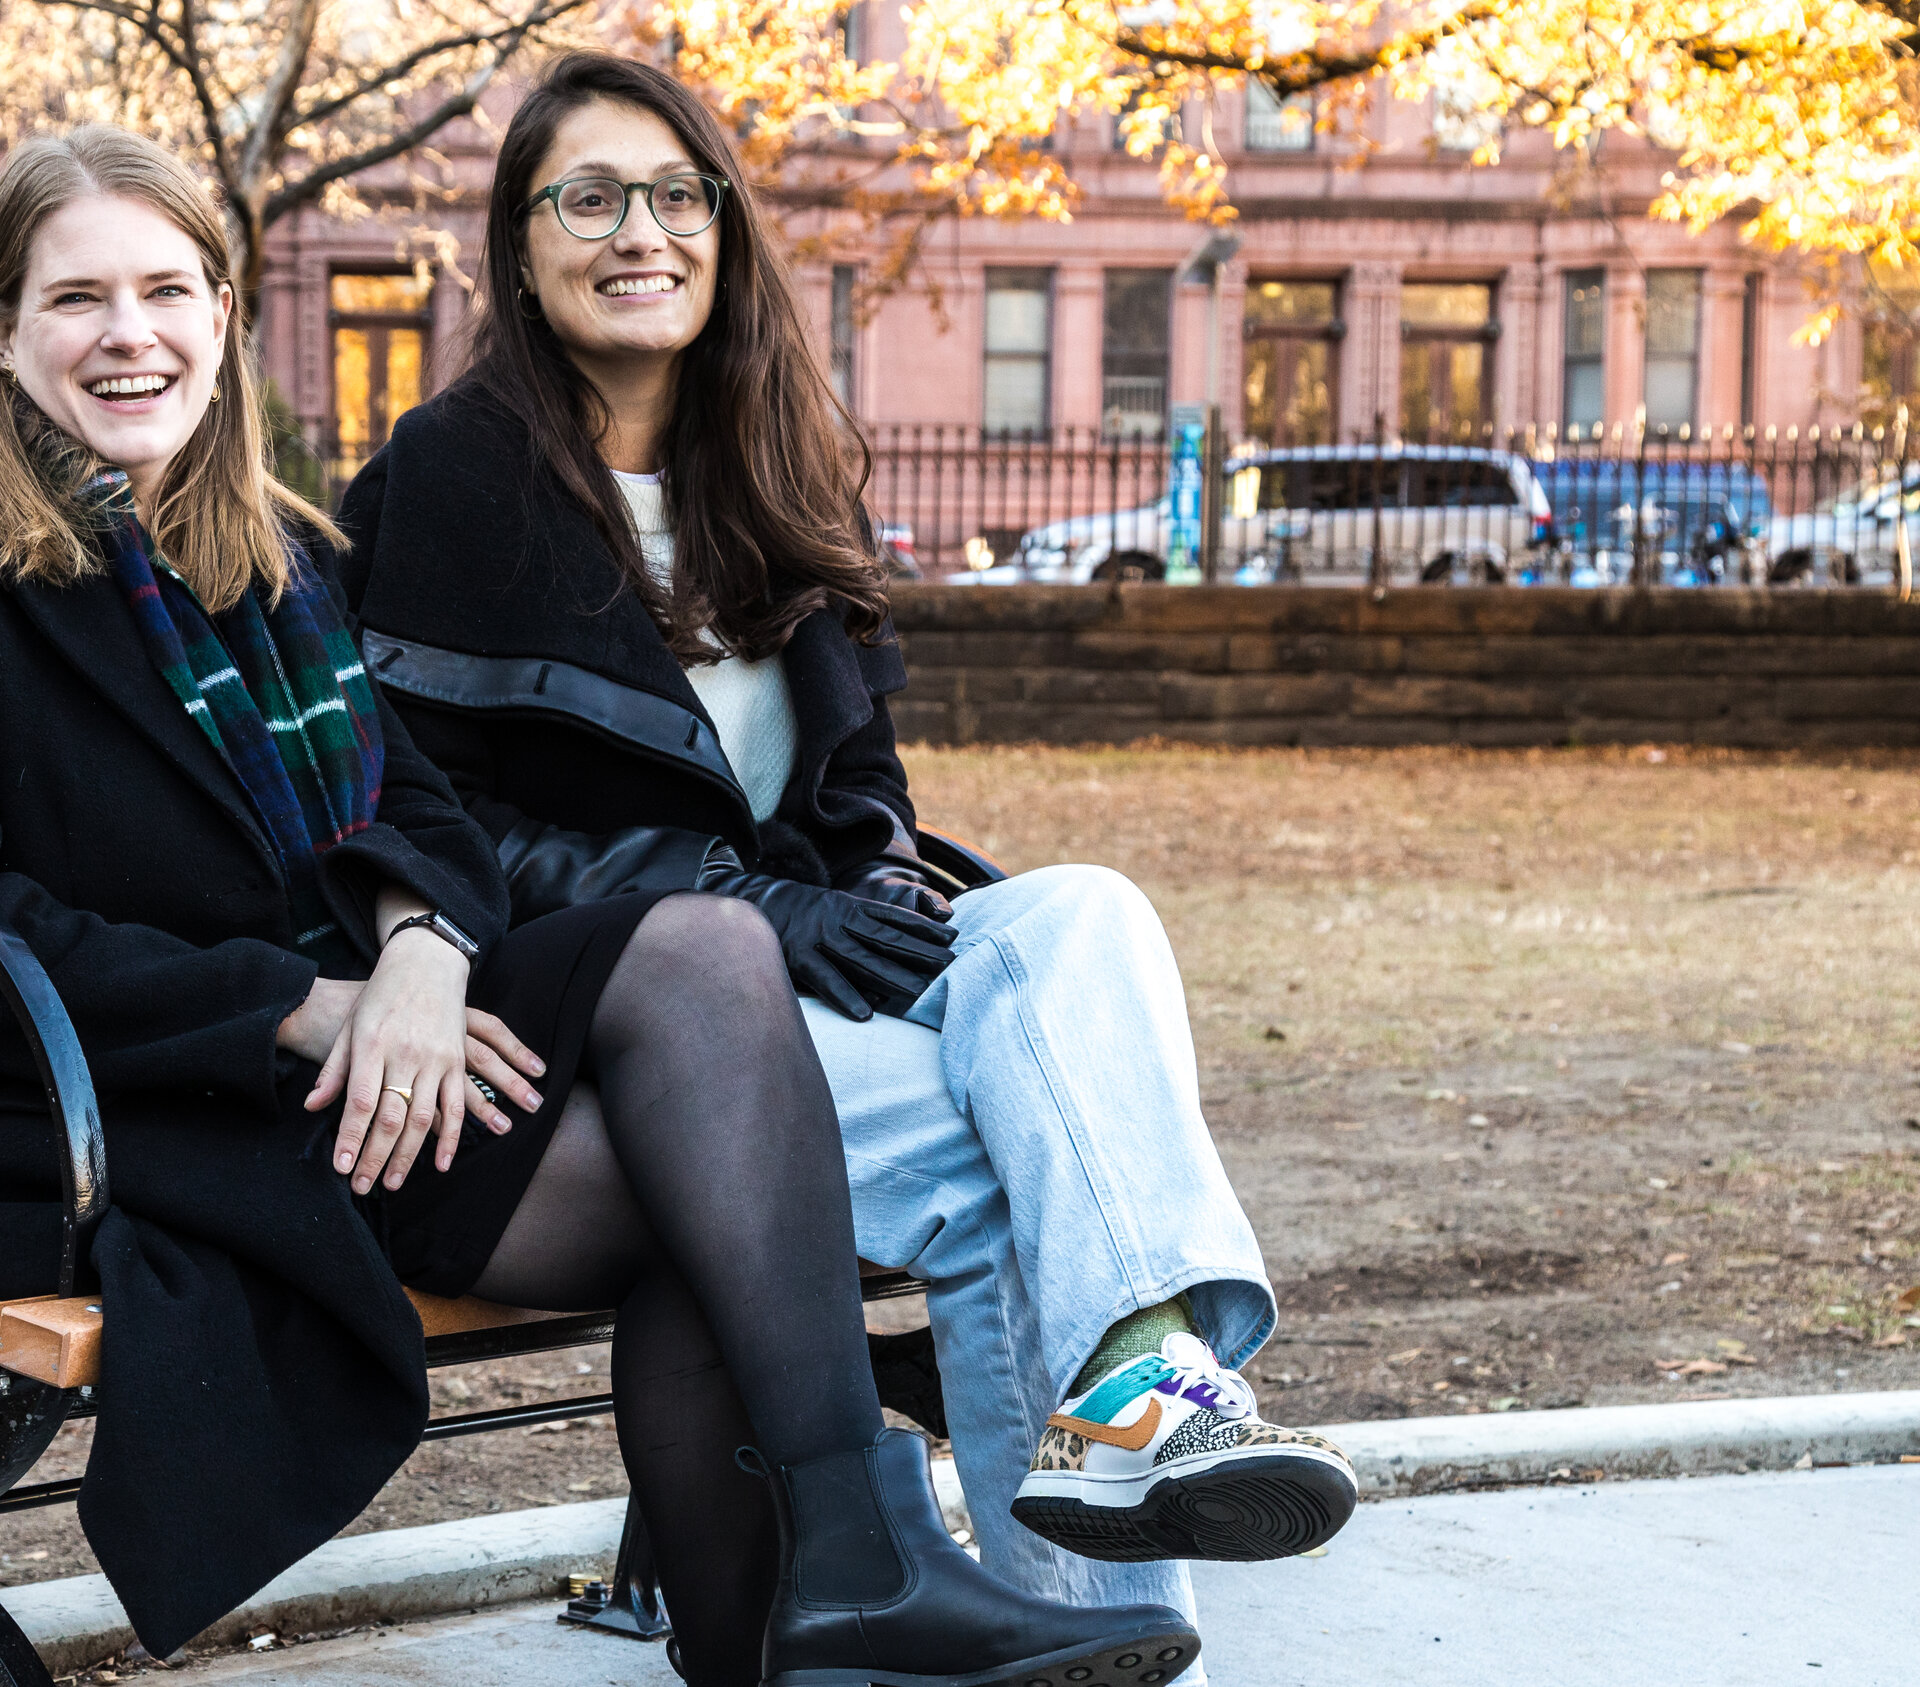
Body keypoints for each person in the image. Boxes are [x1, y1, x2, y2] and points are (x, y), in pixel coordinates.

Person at [0, 124, 1195, 1686]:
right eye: (78, 300)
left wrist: (422, 952)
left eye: (169, 290)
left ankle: (840, 1585)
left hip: (365, 1066)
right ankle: (833, 1601)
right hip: (110, 1115)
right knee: (709, 1197)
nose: (131, 335)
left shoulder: (262, 556)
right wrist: (301, 1009)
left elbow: (419, 810)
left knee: (709, 962)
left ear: (224, 316)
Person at [335, 53, 1359, 1685]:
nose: (640, 234)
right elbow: (442, 824)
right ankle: (1130, 1509)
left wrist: (865, 878)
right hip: (627, 1027)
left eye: (680, 198)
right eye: (587, 199)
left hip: (814, 984)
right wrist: (759, 910)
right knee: (994, 1168)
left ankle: (1137, 1416)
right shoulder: (449, 482)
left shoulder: (777, 459)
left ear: (728, 234)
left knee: (1083, 913)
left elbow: (857, 781)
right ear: (518, 246)